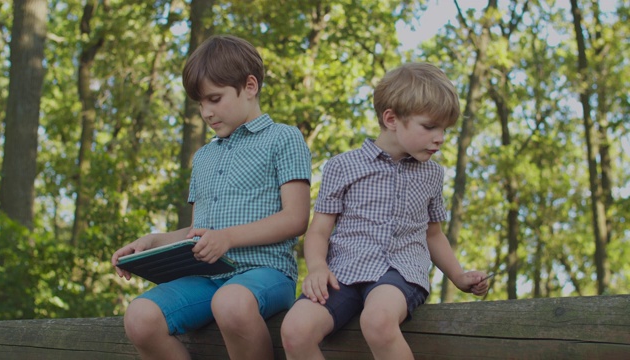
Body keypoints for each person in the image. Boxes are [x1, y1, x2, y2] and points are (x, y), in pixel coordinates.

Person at [111, 35, 312, 360]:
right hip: (205, 279)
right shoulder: (203, 157)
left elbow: (296, 218)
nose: (206, 112)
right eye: (200, 103)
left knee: (231, 302)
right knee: (140, 316)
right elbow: (197, 233)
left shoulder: (283, 138)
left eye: (214, 99)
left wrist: (228, 238)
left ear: (249, 86)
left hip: (266, 272)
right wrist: (151, 242)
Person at [280, 62, 490, 360]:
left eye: (444, 129)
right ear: (391, 118)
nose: (440, 137)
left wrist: (458, 276)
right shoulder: (343, 166)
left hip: (401, 272)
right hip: (344, 273)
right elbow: (319, 231)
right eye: (430, 126)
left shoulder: (431, 174)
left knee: (377, 320)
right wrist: (317, 267)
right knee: (295, 330)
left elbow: (433, 234)